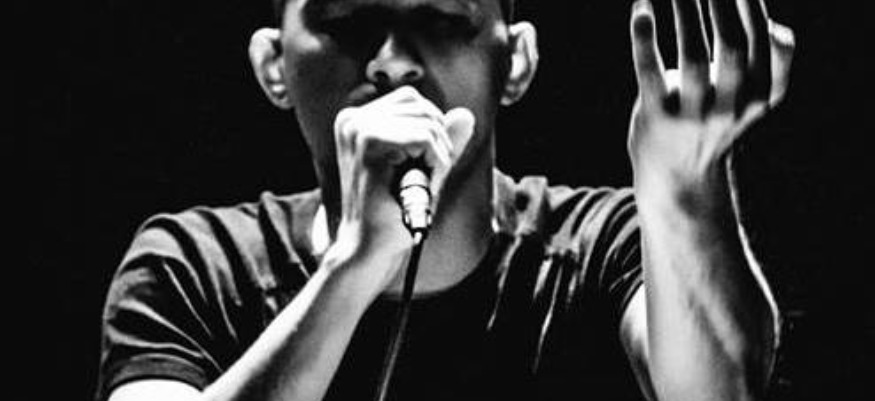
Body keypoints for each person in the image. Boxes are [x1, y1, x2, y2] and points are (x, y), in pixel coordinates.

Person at [96, 0, 797, 400]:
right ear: (273, 65)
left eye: (439, 19)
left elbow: (718, 391)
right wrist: (354, 265)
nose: (393, 62)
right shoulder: (191, 264)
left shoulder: (603, 245)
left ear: (516, 61)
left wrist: (685, 187)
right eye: (347, 21)